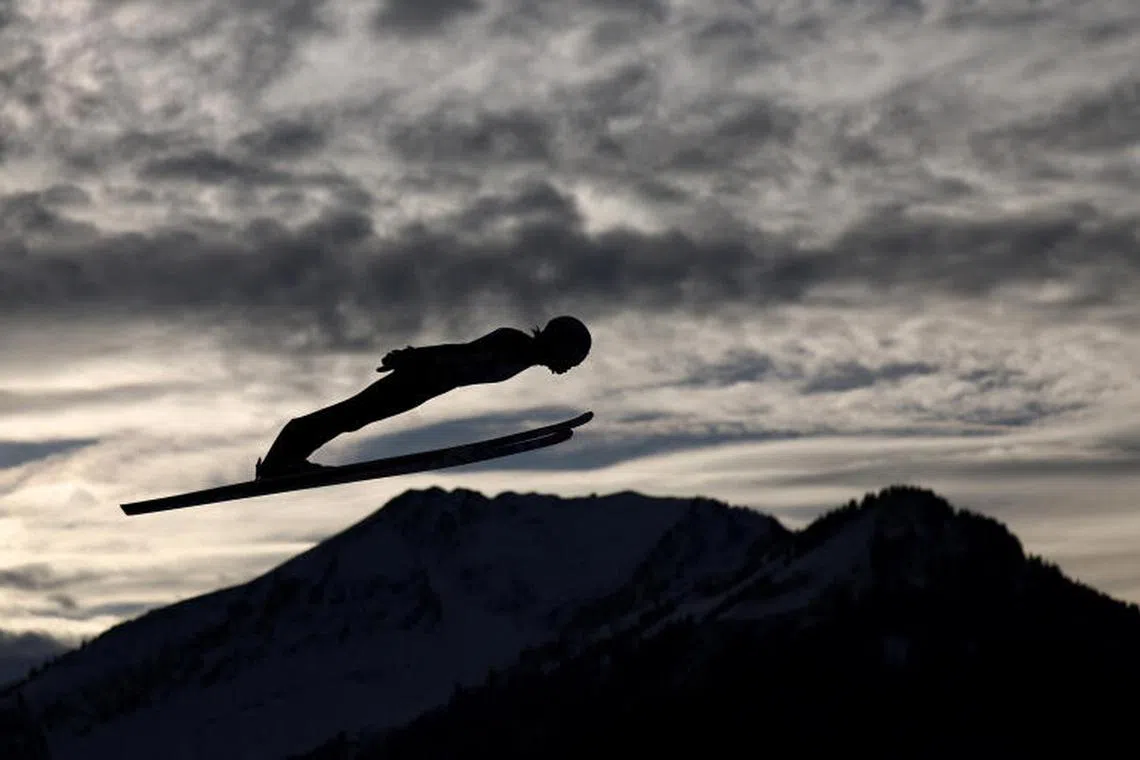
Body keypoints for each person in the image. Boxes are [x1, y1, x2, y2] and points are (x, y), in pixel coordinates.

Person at [255, 315, 592, 479]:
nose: (569, 368)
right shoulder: (514, 344)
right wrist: (413, 357)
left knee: (355, 416)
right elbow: (461, 352)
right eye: (572, 359)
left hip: (431, 382)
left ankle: (285, 461)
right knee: (353, 414)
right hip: (424, 377)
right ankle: (281, 461)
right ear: (558, 344)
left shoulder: (522, 357)